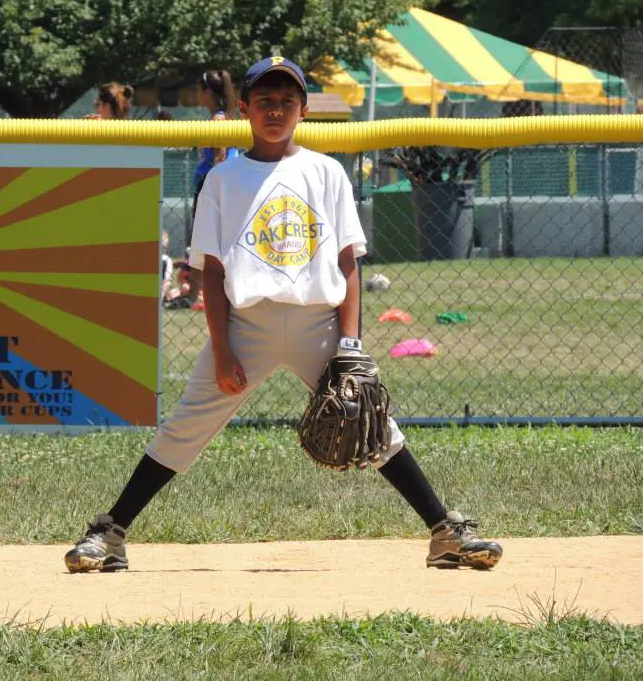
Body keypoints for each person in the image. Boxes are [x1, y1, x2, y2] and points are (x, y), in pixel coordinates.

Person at [64, 56, 504, 574]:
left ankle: (443, 532)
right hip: (245, 327)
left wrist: (349, 343)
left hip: (318, 324)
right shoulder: (224, 179)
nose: (276, 110)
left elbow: (348, 265)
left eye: (287, 101)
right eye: (265, 101)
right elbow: (213, 272)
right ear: (245, 108)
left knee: (371, 423)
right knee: (185, 429)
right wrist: (224, 348)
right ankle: (110, 531)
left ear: (303, 110)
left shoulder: (325, 172)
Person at [175, 69, 239, 309]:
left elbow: (220, 156)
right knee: (206, 241)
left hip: (211, 185)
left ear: (207, 92)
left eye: (198, 89)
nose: (196, 94)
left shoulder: (219, 120)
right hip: (214, 184)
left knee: (203, 241)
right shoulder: (223, 117)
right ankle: (197, 294)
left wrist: (213, 190)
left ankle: (196, 295)